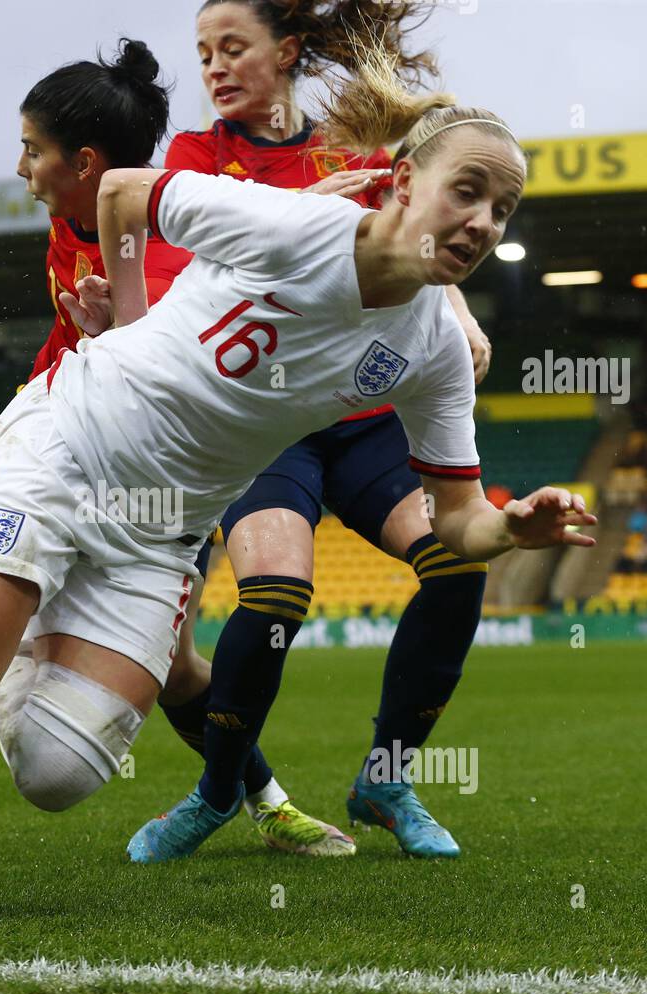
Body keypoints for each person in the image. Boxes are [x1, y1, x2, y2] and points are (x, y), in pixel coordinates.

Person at [0, 31, 596, 927]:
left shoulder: (435, 350)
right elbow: (120, 191)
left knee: (56, 775)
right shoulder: (293, 225)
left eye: (504, 209)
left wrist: (512, 527)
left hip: (159, 533)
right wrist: (132, 322)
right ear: (405, 182)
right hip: (67, 452)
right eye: (468, 191)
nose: (484, 223)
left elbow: (458, 521)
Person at [0, 39, 352, 873]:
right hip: (56, 441)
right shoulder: (69, 216)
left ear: (84, 162)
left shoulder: (174, 247)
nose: (20, 167)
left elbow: (200, 367)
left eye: (32, 149)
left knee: (177, 668)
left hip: (152, 483)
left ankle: (264, 801)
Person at [126, 0, 494, 862]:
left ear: (287, 50)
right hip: (265, 420)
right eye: (203, 54)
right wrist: (301, 210)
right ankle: (219, 790)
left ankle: (386, 780)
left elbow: (415, 235)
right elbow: (187, 277)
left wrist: (459, 310)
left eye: (233, 48)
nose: (214, 68)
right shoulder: (195, 156)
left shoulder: (353, 145)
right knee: (276, 596)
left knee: (458, 566)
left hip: (363, 417)